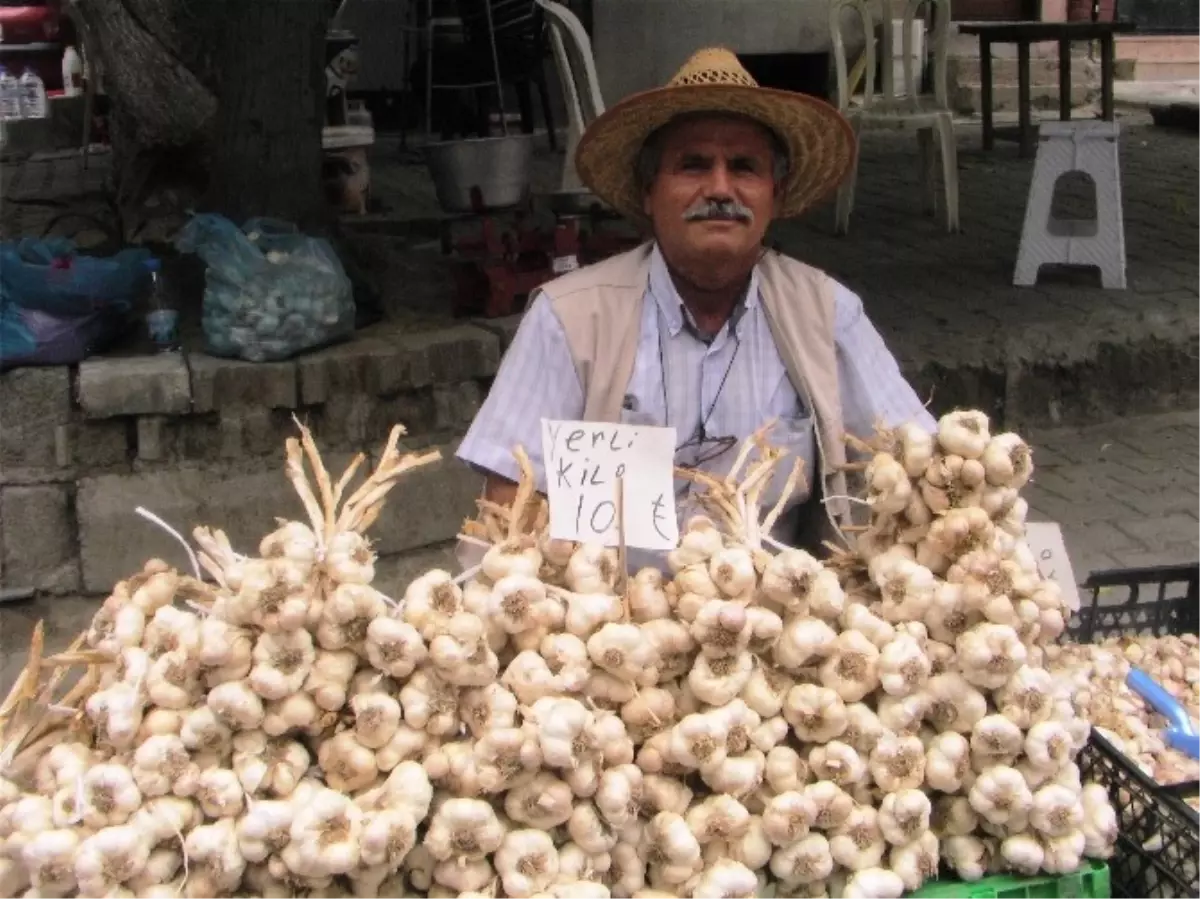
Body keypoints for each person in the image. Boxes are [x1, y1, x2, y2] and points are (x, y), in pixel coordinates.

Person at [457, 47, 935, 555]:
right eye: (693, 165)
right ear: (648, 192)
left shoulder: (826, 313)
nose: (720, 188)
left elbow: (918, 459)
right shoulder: (569, 316)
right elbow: (511, 504)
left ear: (775, 192)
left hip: (780, 619)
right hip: (611, 621)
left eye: (745, 167)